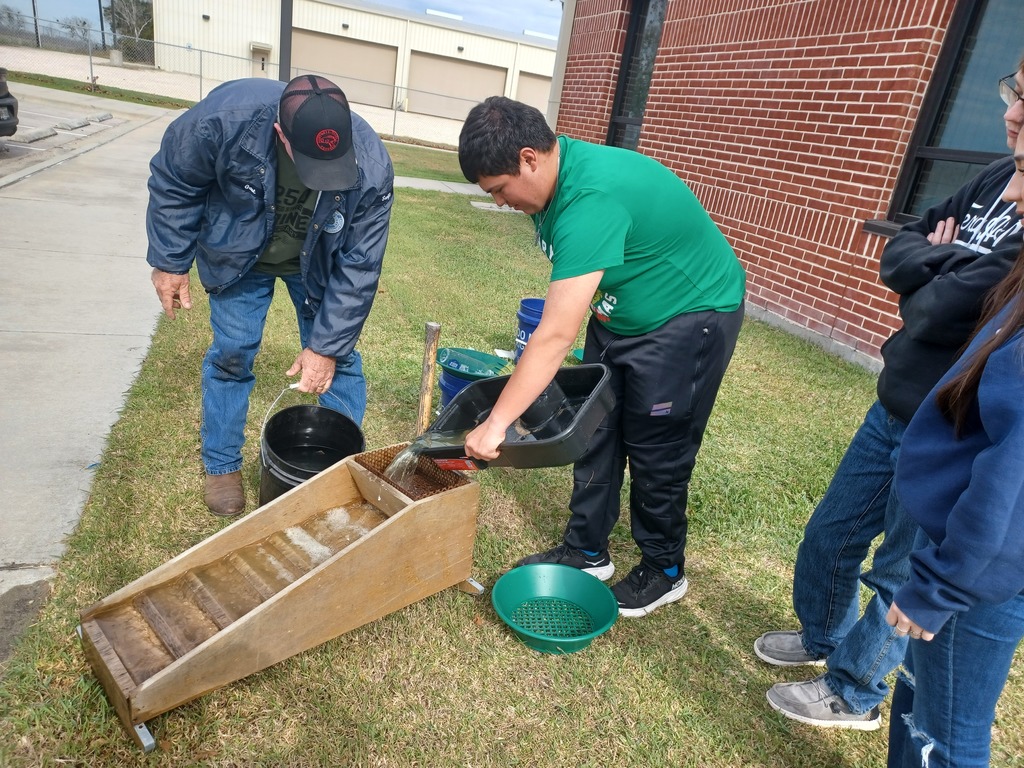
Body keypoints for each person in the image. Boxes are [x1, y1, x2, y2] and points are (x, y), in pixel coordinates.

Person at [755, 62, 1024, 729]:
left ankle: (855, 689)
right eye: (1014, 91)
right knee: (831, 534)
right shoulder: (997, 177)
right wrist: (943, 261)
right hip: (897, 399)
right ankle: (825, 640)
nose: (1012, 113)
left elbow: (932, 310)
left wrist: (936, 264)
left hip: (952, 426)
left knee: (897, 571)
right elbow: (899, 254)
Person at [457, 97, 746, 617]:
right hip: (620, 312)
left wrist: (497, 423)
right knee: (595, 431)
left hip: (689, 313)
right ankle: (587, 551)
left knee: (657, 447)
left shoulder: (591, 198)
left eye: (499, 190)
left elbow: (552, 336)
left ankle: (665, 570)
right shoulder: (549, 189)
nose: (499, 202)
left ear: (529, 158)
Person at [146, 74, 394, 517]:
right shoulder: (224, 120)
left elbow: (359, 264)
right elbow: (176, 181)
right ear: (280, 133)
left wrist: (325, 346)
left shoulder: (371, 163)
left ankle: (341, 470)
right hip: (238, 251)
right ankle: (222, 466)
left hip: (315, 260)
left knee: (340, 359)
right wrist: (170, 260)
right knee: (232, 353)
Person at [884, 136, 1024, 765]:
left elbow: (1014, 476)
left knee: (950, 731)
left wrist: (942, 585)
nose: (1012, 116)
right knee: (916, 699)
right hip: (959, 546)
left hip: (976, 567)